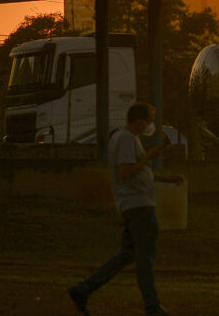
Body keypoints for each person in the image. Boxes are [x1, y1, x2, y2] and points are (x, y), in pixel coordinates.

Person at [68, 102, 183, 316]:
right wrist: (149, 158)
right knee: (145, 258)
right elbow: (126, 172)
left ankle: (83, 289)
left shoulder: (127, 140)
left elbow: (137, 172)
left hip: (133, 205)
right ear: (140, 121)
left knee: (127, 254)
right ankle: (152, 306)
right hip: (139, 206)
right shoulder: (127, 139)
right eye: (149, 120)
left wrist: (166, 178)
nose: (150, 125)